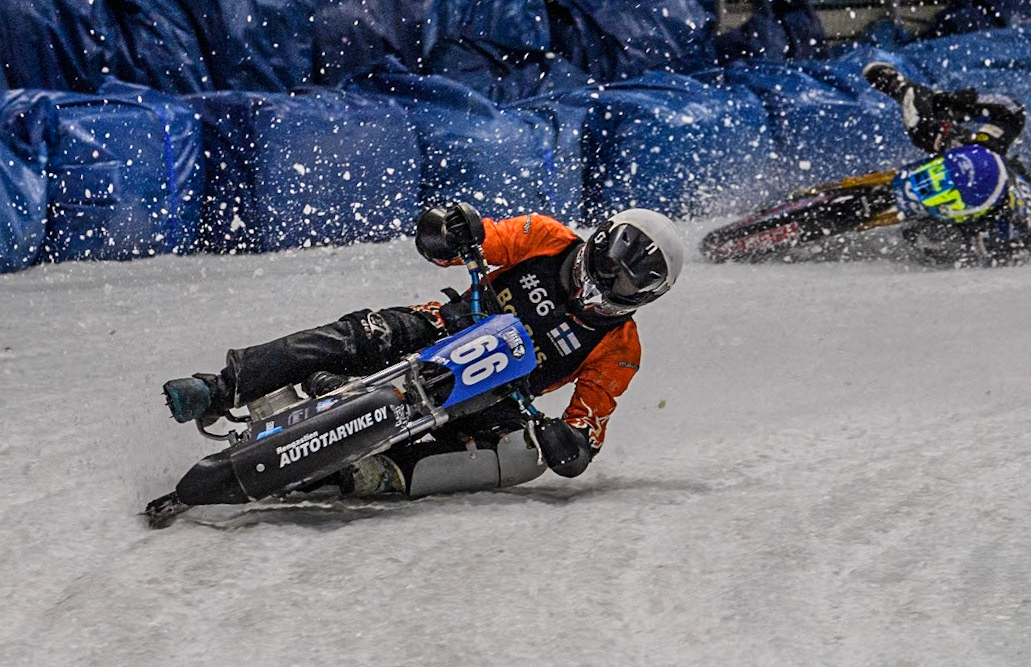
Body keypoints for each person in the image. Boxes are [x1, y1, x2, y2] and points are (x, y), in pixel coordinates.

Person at [160, 206, 685, 498]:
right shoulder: (547, 236)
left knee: (522, 458)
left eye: (621, 282)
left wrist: (566, 441)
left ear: (643, 297)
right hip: (443, 324)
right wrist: (455, 231)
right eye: (607, 265)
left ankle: (385, 473)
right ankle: (220, 387)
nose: (603, 281)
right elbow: (482, 240)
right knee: (361, 333)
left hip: (499, 393)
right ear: (597, 243)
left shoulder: (621, 350)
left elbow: (588, 426)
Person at [860, 63, 1031, 267]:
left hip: (979, 202)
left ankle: (938, 208)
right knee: (927, 128)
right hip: (984, 158)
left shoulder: (1013, 233)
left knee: (946, 245)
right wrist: (960, 103)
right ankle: (902, 87)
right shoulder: (1021, 215)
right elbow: (1012, 110)